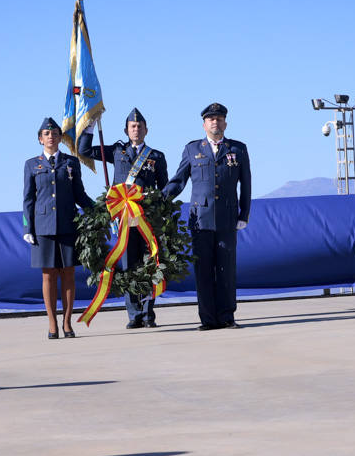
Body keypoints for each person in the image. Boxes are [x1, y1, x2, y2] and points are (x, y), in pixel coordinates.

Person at [76, 108, 169, 328]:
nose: (136, 130)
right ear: (126, 130)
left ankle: (148, 314)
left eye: (140, 126)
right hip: (124, 219)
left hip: (147, 219)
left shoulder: (156, 156)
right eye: (132, 126)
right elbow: (84, 150)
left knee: (149, 264)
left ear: (146, 130)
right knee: (127, 265)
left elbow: (164, 189)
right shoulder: (117, 151)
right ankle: (134, 315)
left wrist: (162, 212)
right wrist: (90, 125)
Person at [164, 102, 251, 329]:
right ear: (204, 124)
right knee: (203, 271)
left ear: (225, 123)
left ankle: (226, 316)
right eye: (211, 119)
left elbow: (247, 185)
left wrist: (244, 214)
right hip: (200, 220)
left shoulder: (238, 149)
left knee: (226, 270)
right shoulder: (193, 149)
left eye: (219, 118)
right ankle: (208, 319)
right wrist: (157, 199)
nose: (215, 122)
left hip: (227, 219)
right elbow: (178, 181)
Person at [22, 118, 95, 339]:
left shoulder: (71, 162)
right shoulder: (31, 164)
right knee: (48, 276)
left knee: (69, 274)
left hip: (68, 224)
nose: (51, 137)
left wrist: (98, 210)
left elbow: (79, 195)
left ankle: (67, 322)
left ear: (60, 138)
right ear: (40, 139)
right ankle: (52, 323)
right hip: (43, 227)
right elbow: (27, 199)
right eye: (46, 134)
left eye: (54, 133)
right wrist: (28, 227)